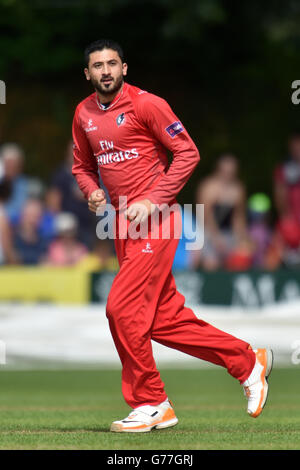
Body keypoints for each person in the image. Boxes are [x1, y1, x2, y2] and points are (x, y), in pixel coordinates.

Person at [72, 39, 273, 433]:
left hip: (157, 220)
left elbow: (188, 153)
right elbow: (82, 165)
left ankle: (151, 401)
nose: (106, 71)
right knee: (164, 320)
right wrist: (91, 191)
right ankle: (246, 361)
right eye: (98, 66)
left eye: (113, 63)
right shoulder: (83, 113)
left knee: (121, 308)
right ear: (88, 74)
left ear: (125, 68)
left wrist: (152, 200)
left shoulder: (148, 104)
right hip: (121, 228)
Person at [196, 153, 249, 270]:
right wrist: (216, 239)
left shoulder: (238, 189)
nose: (228, 174)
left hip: (228, 233)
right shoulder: (209, 187)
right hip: (207, 232)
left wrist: (241, 238)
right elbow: (204, 215)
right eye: (225, 171)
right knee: (211, 263)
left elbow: (238, 217)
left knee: (242, 255)